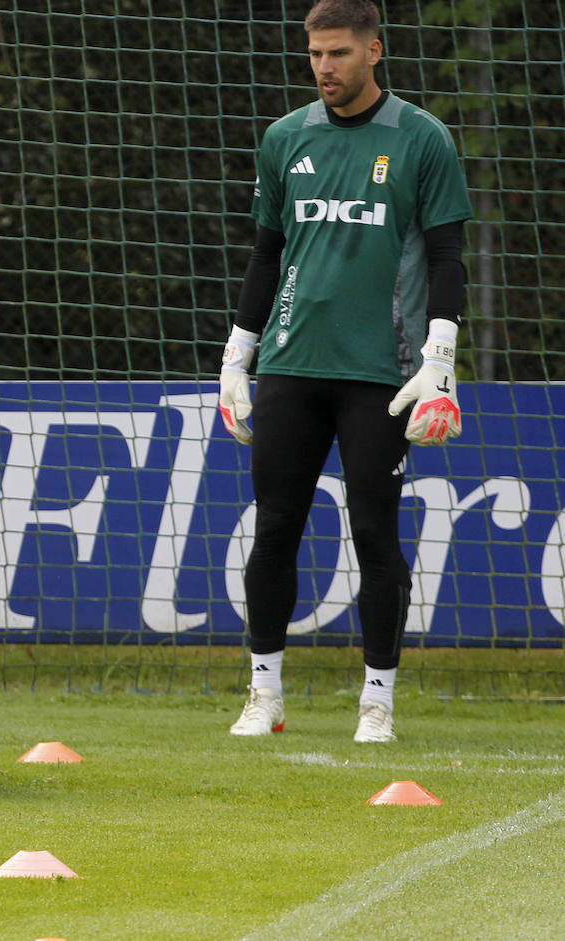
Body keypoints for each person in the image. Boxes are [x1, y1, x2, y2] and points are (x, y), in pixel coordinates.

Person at [217, 0, 473, 742]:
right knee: (274, 530)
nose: (325, 67)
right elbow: (268, 254)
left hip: (382, 375)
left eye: (339, 53)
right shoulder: (285, 138)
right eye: (316, 54)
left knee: (374, 534)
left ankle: (378, 701)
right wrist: (239, 355)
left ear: (374, 51)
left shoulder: (423, 139)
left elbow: (448, 258)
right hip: (293, 367)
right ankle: (264, 694)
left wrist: (440, 361)